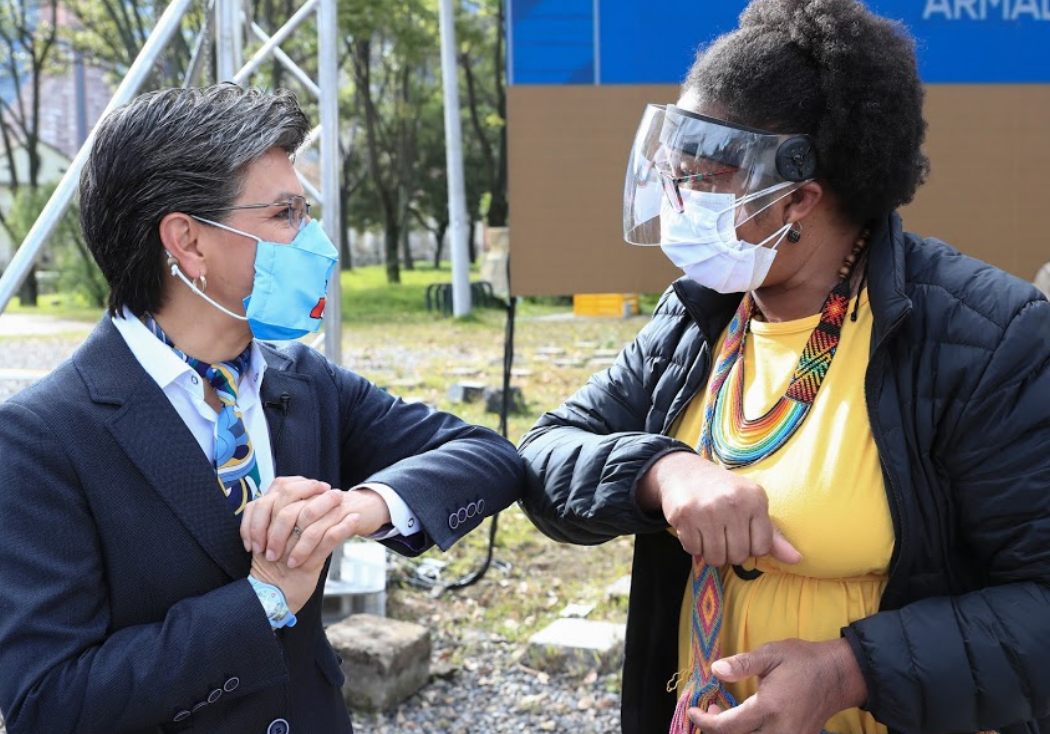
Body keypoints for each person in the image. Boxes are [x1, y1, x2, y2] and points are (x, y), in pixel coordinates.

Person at [518, 2, 1050, 734]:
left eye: (703, 184)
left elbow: (1041, 608)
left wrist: (849, 671)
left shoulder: (985, 337)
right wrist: (663, 473)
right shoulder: (701, 315)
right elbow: (545, 454)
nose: (678, 205)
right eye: (673, 177)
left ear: (800, 198)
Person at [0, 84, 523, 734]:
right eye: (285, 214)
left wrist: (358, 508)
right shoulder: (43, 437)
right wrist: (263, 598)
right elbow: (51, 705)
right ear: (188, 242)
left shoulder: (302, 380)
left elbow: (491, 456)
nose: (316, 242)